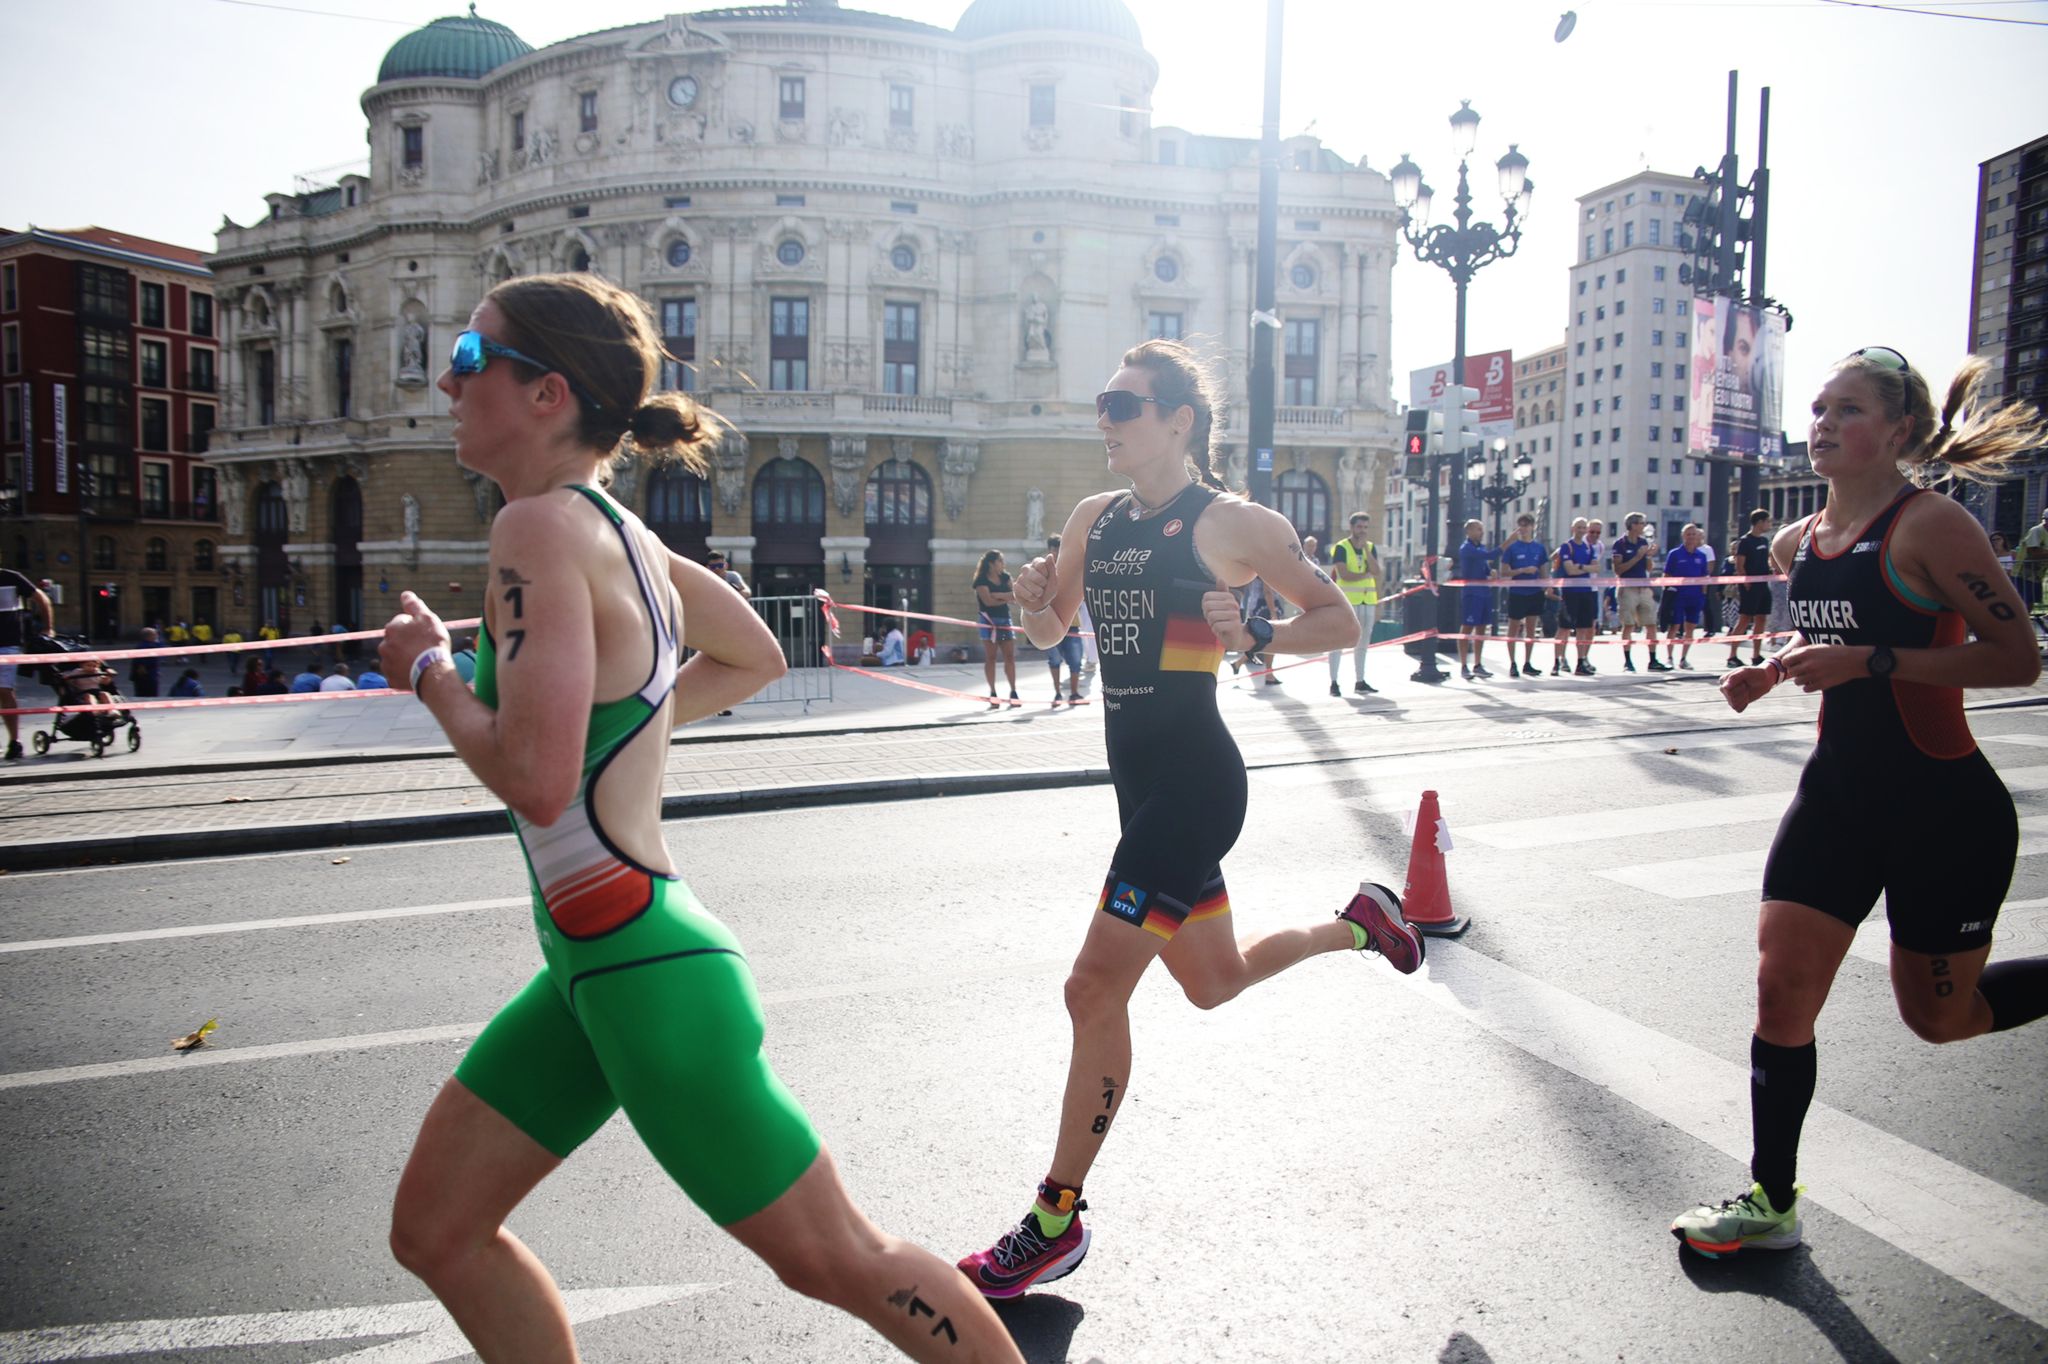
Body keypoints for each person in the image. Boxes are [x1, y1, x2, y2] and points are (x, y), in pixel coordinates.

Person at [376, 272, 1024, 1364]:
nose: (446, 377)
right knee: (437, 1229)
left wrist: (432, 673)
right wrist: (613, 719)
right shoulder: (617, 530)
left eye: (472, 356)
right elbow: (758, 654)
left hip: (640, 967)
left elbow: (535, 780)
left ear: (547, 394)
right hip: (594, 971)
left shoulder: (536, 529)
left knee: (842, 1260)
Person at [959, 337, 1423, 1299]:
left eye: (1123, 404)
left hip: (1196, 787)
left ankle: (1054, 1219)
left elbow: (1337, 620)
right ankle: (1360, 922)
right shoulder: (1094, 516)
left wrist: (1259, 634)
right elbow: (1052, 631)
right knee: (1215, 982)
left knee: (1092, 990)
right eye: (1103, 401)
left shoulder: (1233, 524)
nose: (1105, 419)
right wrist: (1036, 601)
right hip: (1138, 784)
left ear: (1179, 420)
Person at [1672, 346, 2048, 1259]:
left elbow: (2018, 660)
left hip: (1942, 810)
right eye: (1818, 408)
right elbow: (1836, 630)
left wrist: (1870, 663)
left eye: (1848, 410)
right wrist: (1773, 667)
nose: (1824, 424)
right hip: (1835, 798)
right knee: (1779, 991)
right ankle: (1771, 1200)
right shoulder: (1797, 543)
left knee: (1939, 1020)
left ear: (1901, 431)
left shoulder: (1933, 526)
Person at [0, 559, 54, 760]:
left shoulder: (11, 578)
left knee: (4, 689)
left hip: (8, 643)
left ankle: (14, 741)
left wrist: (48, 628)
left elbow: (42, 599)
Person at [1326, 511, 1381, 696]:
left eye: (1366, 527)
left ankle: (1360, 680)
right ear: (1352, 527)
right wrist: (1364, 574)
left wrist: (1366, 550)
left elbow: (1376, 570)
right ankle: (1334, 682)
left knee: (1363, 643)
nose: (1363, 531)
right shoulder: (1341, 547)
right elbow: (1344, 575)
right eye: (1359, 527)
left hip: (1367, 601)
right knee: (1338, 641)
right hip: (1347, 603)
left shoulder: (1371, 547)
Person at [1610, 514, 1665, 673]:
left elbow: (1648, 568)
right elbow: (1618, 569)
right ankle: (1628, 661)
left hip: (1644, 587)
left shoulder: (1643, 542)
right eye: (1641, 523)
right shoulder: (1620, 544)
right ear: (1632, 525)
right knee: (1628, 625)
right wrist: (1638, 556)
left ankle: (1653, 660)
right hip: (1627, 588)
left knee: (1651, 624)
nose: (1643, 526)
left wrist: (1647, 556)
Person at [1498, 514, 1548, 679]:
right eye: (1521, 525)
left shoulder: (1539, 548)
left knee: (1531, 629)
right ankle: (1513, 663)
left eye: (1526, 525)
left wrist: (1546, 587)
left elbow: (1544, 572)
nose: (1524, 528)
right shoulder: (1512, 548)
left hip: (1534, 593)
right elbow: (1504, 572)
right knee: (1513, 628)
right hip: (1517, 593)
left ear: (1532, 526)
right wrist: (1521, 570)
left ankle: (1528, 662)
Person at [973, 549, 1020, 708]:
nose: (1003, 564)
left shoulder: (1005, 577)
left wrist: (997, 595)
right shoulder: (980, 580)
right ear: (991, 564)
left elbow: (1015, 596)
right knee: (991, 657)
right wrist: (1004, 596)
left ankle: (1013, 692)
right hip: (988, 621)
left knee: (1009, 657)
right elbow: (988, 602)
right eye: (1000, 561)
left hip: (1004, 620)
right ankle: (993, 692)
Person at [1042, 534, 1086, 706]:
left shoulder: (1071, 568)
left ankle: (1074, 693)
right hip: (1051, 624)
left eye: (1059, 548)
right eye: (1054, 548)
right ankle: (1057, 694)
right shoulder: (1043, 569)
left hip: (1072, 624)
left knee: (1075, 660)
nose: (1057, 552)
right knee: (1054, 660)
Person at [1729, 509, 1776, 669]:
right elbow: (1740, 564)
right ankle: (1732, 655)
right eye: (1767, 521)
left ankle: (1756, 655)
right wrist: (1745, 582)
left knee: (1761, 618)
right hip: (1750, 586)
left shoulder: (1764, 540)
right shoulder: (1745, 541)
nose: (1769, 524)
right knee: (1744, 619)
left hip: (1763, 585)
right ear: (1760, 522)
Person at [1663, 524, 1711, 670]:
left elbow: (1704, 576)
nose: (1691, 537)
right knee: (1675, 626)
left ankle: (1684, 659)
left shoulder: (1701, 556)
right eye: (1688, 534)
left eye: (1694, 534)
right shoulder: (1675, 554)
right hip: (1678, 596)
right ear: (1683, 536)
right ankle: (1669, 658)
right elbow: (1667, 575)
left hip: (1695, 597)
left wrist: (1703, 594)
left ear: (1698, 537)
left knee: (1691, 627)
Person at [1454, 519, 1497, 681]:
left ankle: (1478, 664)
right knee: (1467, 627)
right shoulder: (1466, 549)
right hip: (1471, 593)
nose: (1481, 532)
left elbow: (1485, 566)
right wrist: (1508, 542)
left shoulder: (1481, 547)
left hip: (1484, 592)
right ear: (1469, 531)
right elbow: (1491, 555)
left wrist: (1491, 572)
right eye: (1478, 529)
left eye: (1481, 529)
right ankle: (1464, 665)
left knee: (1481, 628)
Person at [1554, 517, 1597, 676]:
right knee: (1564, 628)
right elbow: (1569, 570)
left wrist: (1579, 567)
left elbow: (1597, 567)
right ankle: (1557, 661)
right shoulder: (1567, 546)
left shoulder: (1589, 547)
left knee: (1583, 629)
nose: (1581, 530)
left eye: (1583, 528)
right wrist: (1585, 568)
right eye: (1578, 527)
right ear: (1573, 528)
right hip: (1570, 593)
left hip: (1585, 592)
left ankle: (1581, 662)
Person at [2018, 507, 2047, 614]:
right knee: (2023, 601)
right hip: (2023, 572)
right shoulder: (2036, 531)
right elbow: (2032, 552)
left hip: (2038, 574)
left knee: (2030, 602)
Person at [128, 626, 164, 698]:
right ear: (150, 636)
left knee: (140, 695)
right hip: (148, 677)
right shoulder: (150, 646)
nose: (157, 636)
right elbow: (141, 665)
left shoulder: (139, 646)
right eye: (155, 635)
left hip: (141, 678)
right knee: (150, 696)